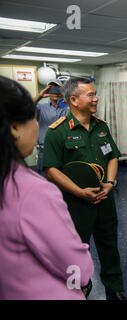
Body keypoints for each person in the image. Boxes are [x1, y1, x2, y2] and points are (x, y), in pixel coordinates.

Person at [0, 75, 94, 299]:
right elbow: (75, 266)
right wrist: (83, 279)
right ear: (15, 128)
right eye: (31, 118)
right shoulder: (32, 191)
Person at [42, 77, 127, 300]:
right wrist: (80, 192)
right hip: (75, 203)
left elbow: (113, 157)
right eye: (90, 95)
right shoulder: (57, 132)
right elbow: (51, 169)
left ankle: (114, 287)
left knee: (109, 243)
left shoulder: (101, 127)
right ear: (73, 100)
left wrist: (109, 184)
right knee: (76, 248)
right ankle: (79, 288)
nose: (96, 98)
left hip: (105, 199)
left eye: (95, 93)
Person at [33, 80, 69, 175]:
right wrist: (40, 96)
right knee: (44, 175)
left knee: (64, 176)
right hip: (45, 148)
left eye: (58, 89)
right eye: (52, 89)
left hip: (64, 148)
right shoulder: (41, 107)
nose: (56, 92)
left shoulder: (69, 107)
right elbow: (26, 107)